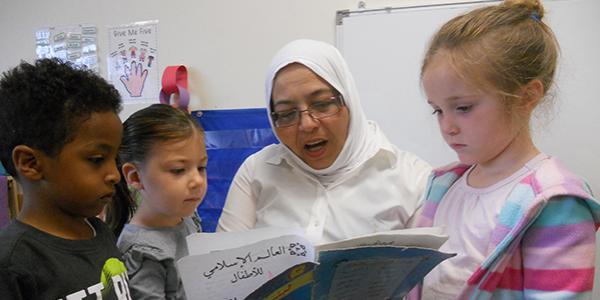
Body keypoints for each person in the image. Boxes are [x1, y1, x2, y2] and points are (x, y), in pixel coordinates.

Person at [410, 0, 600, 298]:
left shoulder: (554, 199)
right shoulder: (443, 186)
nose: (447, 126)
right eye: (437, 111)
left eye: (462, 107)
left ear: (526, 96)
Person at [217, 39, 432, 244]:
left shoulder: (414, 179)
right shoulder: (257, 171)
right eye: (286, 114)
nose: (307, 125)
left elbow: (428, 277)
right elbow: (223, 268)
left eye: (321, 104)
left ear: (349, 100)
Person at [0, 58, 132, 299]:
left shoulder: (98, 231)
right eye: (96, 159)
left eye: (115, 158)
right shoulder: (12, 261)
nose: (114, 174)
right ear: (31, 164)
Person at [114, 104, 207, 299]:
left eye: (201, 167)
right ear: (135, 177)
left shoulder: (187, 219)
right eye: (178, 170)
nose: (197, 180)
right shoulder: (142, 251)